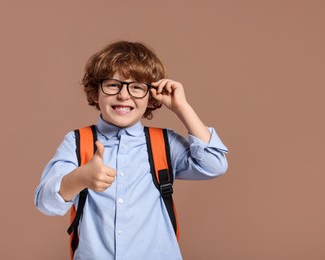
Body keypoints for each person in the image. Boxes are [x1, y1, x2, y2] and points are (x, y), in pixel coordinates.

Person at [34, 40, 229, 260]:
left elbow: (215, 165)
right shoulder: (77, 142)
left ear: (151, 96)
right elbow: (44, 202)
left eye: (137, 87)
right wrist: (80, 178)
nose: (124, 95)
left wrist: (182, 108)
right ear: (95, 93)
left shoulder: (163, 143)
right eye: (112, 85)